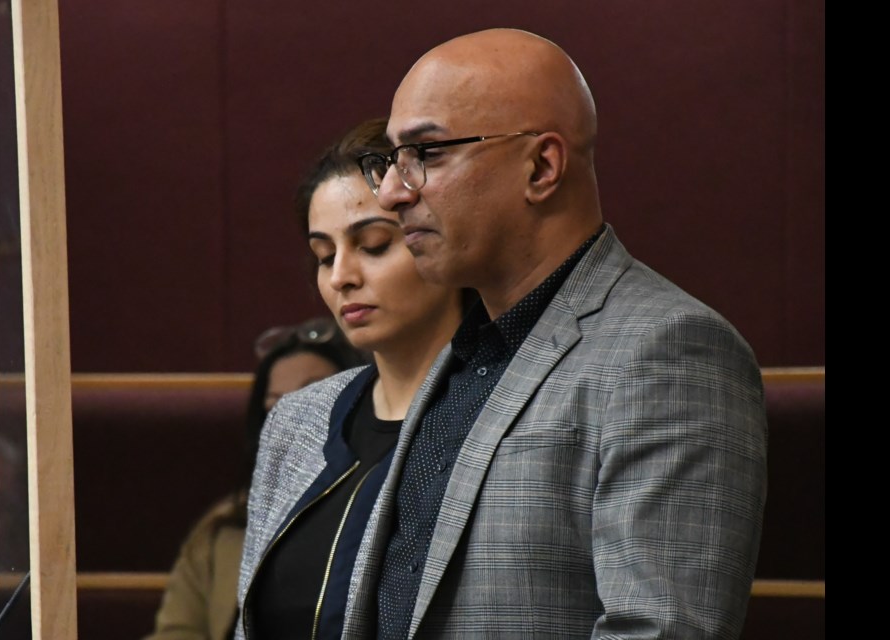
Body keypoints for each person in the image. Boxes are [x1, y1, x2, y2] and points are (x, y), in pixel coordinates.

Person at [343, 28, 769, 639]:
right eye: (390, 158)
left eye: (427, 154)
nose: (389, 192)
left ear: (542, 167)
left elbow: (659, 630)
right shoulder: (469, 348)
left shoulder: (670, 349)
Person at [233, 117, 469, 640]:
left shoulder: (502, 409)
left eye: (374, 244)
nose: (341, 275)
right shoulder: (295, 421)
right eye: (324, 255)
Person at [144, 320, 366, 640]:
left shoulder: (382, 505)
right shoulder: (224, 525)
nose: (294, 418)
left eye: (314, 395)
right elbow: (177, 632)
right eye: (276, 404)